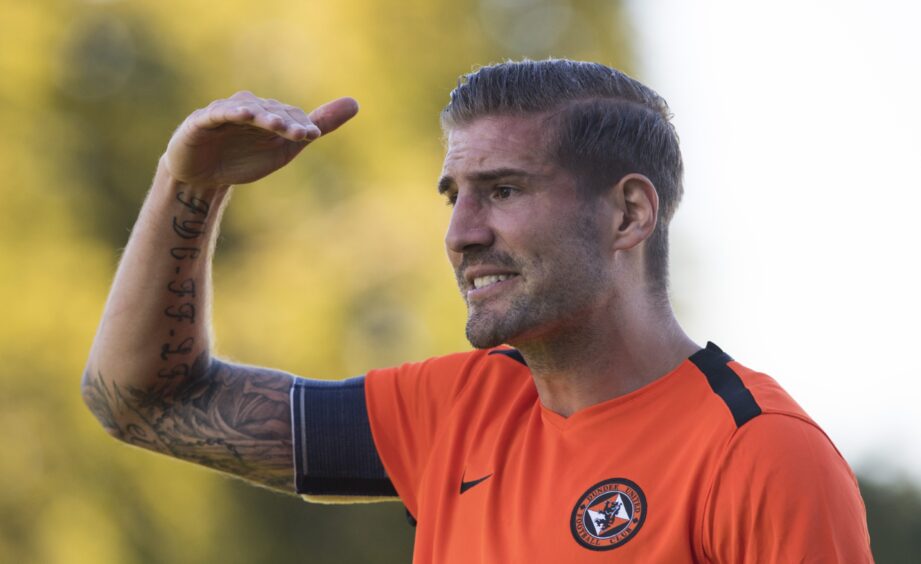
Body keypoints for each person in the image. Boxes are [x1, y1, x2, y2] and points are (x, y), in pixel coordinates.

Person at [82, 59, 873, 562]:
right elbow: (146, 401)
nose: (461, 234)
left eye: (502, 191)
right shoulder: (454, 410)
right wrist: (190, 185)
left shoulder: (761, 455)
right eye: (453, 196)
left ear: (629, 214)